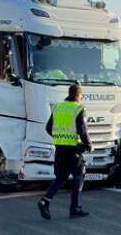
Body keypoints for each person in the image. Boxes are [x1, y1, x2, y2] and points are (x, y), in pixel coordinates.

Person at [37, 84, 91, 220]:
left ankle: (45, 201)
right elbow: (82, 130)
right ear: (79, 95)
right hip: (73, 149)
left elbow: (49, 128)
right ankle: (74, 208)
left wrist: (59, 138)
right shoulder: (78, 108)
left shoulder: (58, 107)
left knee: (60, 178)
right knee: (79, 176)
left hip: (60, 148)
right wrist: (88, 144)